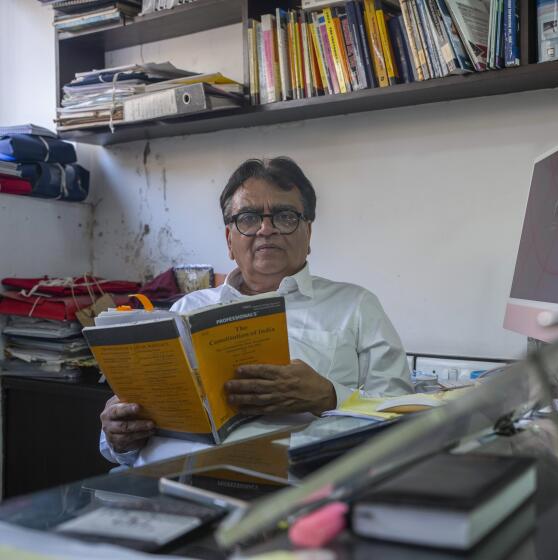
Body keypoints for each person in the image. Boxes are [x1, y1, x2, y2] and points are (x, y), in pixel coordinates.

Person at [99, 157, 412, 466]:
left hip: (292, 486)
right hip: (167, 481)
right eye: (248, 218)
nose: (266, 229)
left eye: (285, 216)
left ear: (309, 233)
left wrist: (330, 397)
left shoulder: (355, 306)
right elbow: (123, 441)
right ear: (229, 241)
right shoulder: (185, 310)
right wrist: (118, 434)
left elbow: (405, 419)